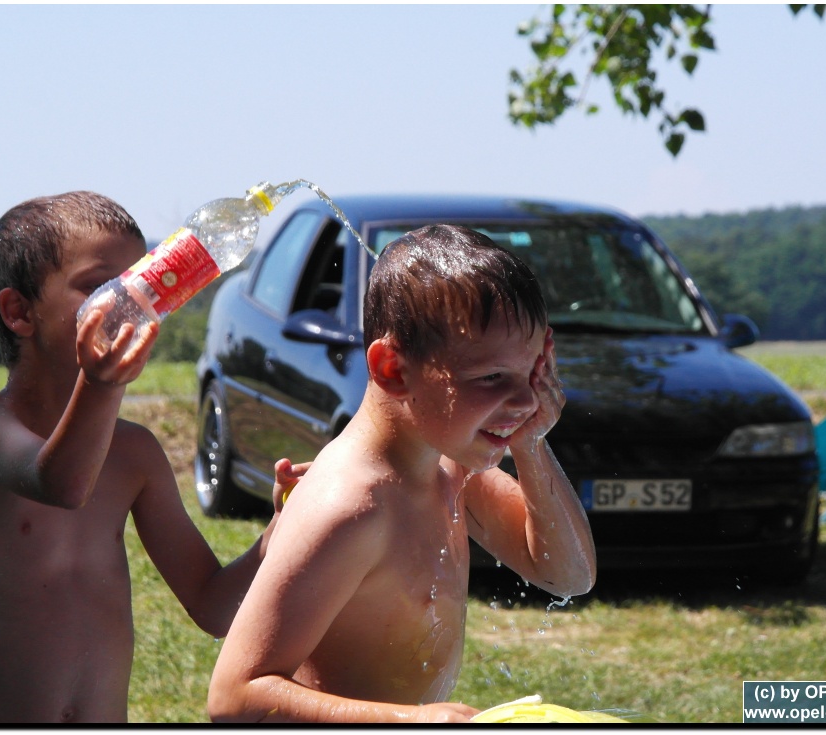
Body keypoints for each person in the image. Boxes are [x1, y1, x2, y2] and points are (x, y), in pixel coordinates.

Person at [208, 224, 597, 724]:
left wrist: (530, 442)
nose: (525, 400)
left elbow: (569, 575)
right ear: (392, 369)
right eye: (492, 377)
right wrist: (411, 720)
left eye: (533, 375)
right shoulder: (351, 504)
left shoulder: (449, 466)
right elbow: (235, 697)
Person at [0, 191, 295, 723]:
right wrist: (100, 385)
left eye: (144, 284)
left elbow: (214, 605)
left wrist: (284, 524)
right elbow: (60, 484)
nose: (134, 304)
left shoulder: (134, 453)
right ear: (19, 312)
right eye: (103, 287)